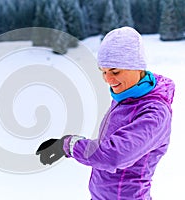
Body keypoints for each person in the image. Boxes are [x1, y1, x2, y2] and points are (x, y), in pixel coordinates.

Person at [36, 26, 175, 200]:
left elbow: (112, 155)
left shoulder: (154, 113)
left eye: (115, 71)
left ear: (137, 67)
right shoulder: (126, 95)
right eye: (103, 72)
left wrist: (68, 144)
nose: (108, 80)